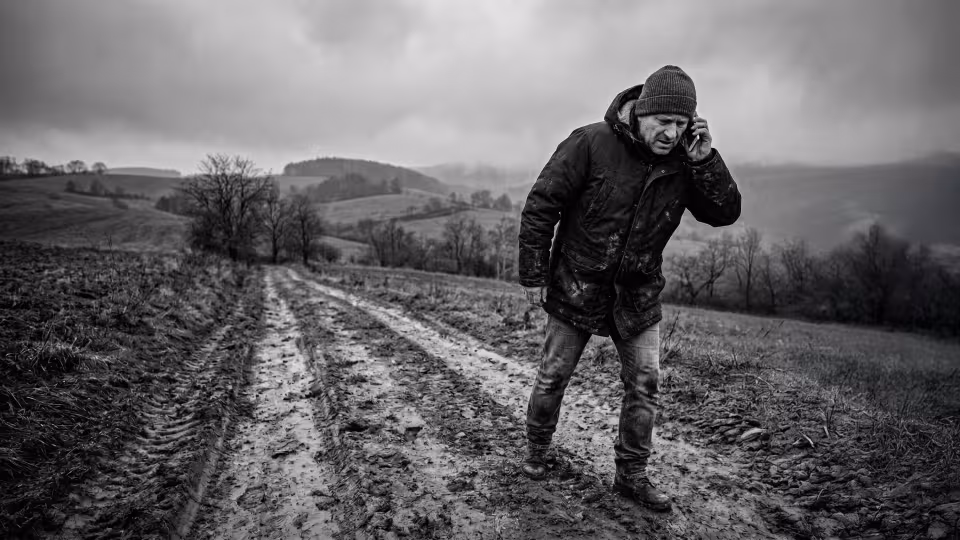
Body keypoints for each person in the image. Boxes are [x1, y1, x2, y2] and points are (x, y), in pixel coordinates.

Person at [517, 65, 741, 511]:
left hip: (637, 293)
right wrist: (534, 274)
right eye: (663, 122)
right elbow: (542, 204)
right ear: (641, 112)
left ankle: (632, 476)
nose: (671, 133)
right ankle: (537, 451)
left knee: (645, 382)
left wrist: (705, 160)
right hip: (576, 284)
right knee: (553, 374)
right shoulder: (590, 141)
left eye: (681, 124)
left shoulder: (686, 161)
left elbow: (724, 213)